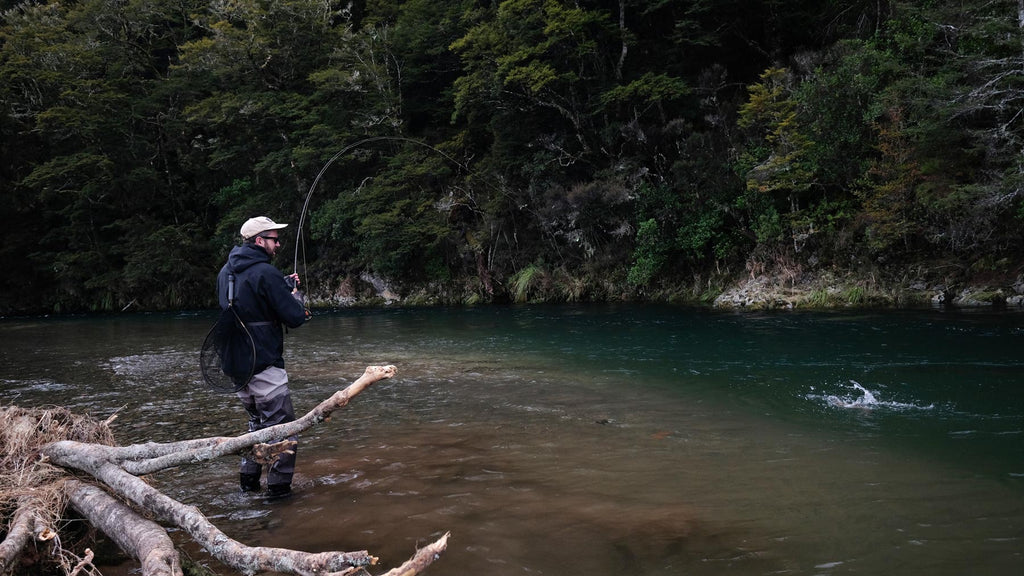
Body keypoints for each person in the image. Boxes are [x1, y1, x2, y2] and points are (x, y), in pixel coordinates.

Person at [217, 216, 308, 500]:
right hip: (264, 363)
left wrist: (279, 285)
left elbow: (246, 301)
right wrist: (295, 296)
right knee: (283, 431)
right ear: (259, 241)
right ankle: (279, 495)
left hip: (236, 366)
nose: (278, 244)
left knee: (256, 427)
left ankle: (248, 487)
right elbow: (294, 318)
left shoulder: (225, 271)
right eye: (274, 239)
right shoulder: (265, 273)